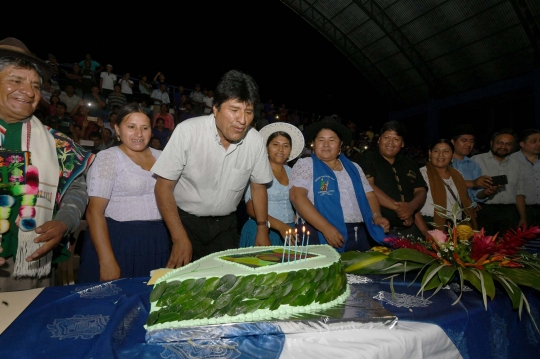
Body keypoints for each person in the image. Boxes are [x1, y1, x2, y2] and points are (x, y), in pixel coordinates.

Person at [152, 69, 272, 267]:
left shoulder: (255, 141)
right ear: (215, 108)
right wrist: (179, 237)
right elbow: (162, 187)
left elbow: (258, 187)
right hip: (184, 223)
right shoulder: (188, 131)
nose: (242, 120)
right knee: (184, 287)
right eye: (234, 110)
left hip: (226, 227)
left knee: (224, 287)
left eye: (248, 112)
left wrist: (262, 228)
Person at [0, 37, 94, 291]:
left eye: (36, 85)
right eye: (16, 80)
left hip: (30, 263)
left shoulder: (56, 143)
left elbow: (77, 189)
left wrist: (65, 221)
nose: (30, 92)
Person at [78, 103, 170, 283]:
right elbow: (94, 212)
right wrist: (106, 260)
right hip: (119, 241)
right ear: (117, 129)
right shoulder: (109, 158)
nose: (139, 134)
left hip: (158, 240)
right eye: (131, 127)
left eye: (145, 128)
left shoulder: (163, 157)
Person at [289, 117, 390, 252]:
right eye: (321, 140)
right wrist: (325, 227)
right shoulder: (306, 164)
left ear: (340, 145)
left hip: (358, 233)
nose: (326, 144)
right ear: (313, 143)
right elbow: (297, 197)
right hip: (318, 231)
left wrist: (376, 216)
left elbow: (369, 195)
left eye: (332, 140)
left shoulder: (354, 167)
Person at [355, 120, 427, 239]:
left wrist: (411, 208)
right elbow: (368, 187)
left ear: (402, 143)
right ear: (379, 140)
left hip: (411, 229)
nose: (390, 143)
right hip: (380, 230)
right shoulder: (368, 159)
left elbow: (420, 190)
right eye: (386, 137)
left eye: (396, 139)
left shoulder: (409, 163)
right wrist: (402, 210)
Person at [239, 123, 305, 247]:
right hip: (263, 229)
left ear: (290, 150)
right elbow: (251, 208)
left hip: (288, 231)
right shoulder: (258, 169)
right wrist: (280, 226)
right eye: (275, 145)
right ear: (267, 147)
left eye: (285, 146)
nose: (281, 149)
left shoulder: (292, 172)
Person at [414, 140, 477, 238]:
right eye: (436, 151)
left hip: (457, 229)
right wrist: (425, 232)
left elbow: (465, 200)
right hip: (429, 226)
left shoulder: (458, 174)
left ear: (452, 155)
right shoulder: (420, 174)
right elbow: (413, 206)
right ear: (430, 153)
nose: (440, 155)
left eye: (446, 151)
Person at [471, 128, 527, 235]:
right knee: (482, 247)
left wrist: (523, 218)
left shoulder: (517, 164)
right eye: (500, 143)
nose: (503, 147)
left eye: (508, 144)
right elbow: (466, 187)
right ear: (492, 143)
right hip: (484, 211)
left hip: (510, 213)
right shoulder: (476, 160)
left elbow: (519, 193)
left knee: (509, 248)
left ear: (513, 146)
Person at [450, 124, 494, 207]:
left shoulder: (473, 165)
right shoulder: (444, 162)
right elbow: (444, 183)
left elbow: (475, 194)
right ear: (453, 142)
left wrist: (485, 192)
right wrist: (473, 183)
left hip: (469, 211)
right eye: (464, 140)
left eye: (472, 141)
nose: (468, 144)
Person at [509, 129, 540, 228]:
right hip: (519, 211)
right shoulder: (511, 161)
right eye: (534, 141)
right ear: (522, 144)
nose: (538, 144)